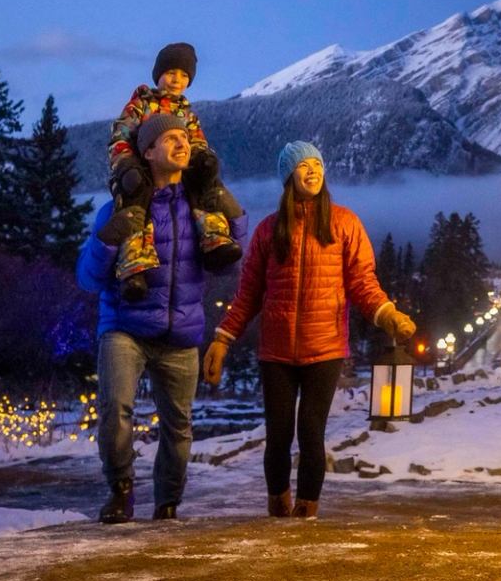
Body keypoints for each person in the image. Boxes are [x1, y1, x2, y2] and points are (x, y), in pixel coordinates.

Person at [202, 141, 417, 519]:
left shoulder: (345, 222)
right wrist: (222, 340)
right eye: (304, 165)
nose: (313, 170)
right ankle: (278, 503)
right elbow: (248, 294)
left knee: (311, 432)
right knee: (279, 435)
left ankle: (307, 510)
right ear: (289, 176)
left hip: (326, 348)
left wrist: (388, 315)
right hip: (277, 352)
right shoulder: (269, 230)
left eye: (317, 163)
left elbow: (363, 284)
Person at [75, 113, 214, 523]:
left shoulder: (201, 209)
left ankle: (167, 502)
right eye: (169, 138)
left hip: (181, 331)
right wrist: (107, 239)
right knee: (116, 407)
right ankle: (120, 490)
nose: (181, 143)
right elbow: (87, 278)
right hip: (125, 328)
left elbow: (228, 261)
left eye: (185, 137)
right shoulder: (118, 208)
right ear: (148, 152)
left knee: (179, 425)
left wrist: (233, 213)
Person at [103, 42, 242, 301]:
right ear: (158, 75)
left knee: (205, 187)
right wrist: (125, 165)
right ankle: (134, 268)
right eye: (171, 73)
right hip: (140, 169)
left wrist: (203, 159)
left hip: (178, 168)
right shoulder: (140, 104)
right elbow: (120, 136)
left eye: (184, 75)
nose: (177, 80)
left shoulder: (187, 112)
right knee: (134, 206)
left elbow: (197, 141)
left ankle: (215, 240)